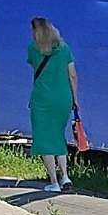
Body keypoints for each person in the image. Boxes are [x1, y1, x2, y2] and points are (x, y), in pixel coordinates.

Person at [28, 16, 83, 193]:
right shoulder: (64, 49)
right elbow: (72, 75)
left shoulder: (33, 49)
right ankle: (65, 176)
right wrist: (75, 98)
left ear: (36, 32)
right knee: (58, 136)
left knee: (44, 139)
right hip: (63, 98)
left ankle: (54, 181)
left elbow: (35, 67)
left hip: (42, 99)